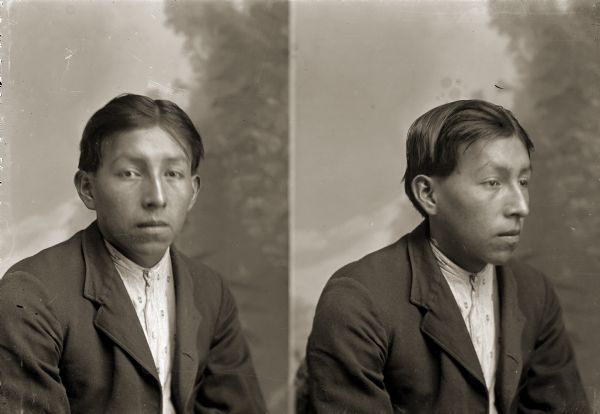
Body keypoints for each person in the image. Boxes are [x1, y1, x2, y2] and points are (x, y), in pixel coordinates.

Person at [305, 100, 590, 413]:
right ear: (428, 194)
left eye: (523, 181)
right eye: (493, 183)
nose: (521, 206)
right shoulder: (357, 301)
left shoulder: (534, 291)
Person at [0, 94, 266, 413]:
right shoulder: (30, 295)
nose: (156, 197)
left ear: (193, 191)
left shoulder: (210, 290)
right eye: (130, 173)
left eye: (173, 174)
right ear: (87, 188)